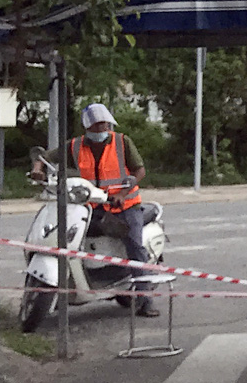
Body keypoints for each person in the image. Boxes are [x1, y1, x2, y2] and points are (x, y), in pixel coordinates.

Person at [33, 103, 160, 317]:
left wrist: (121, 194)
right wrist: (38, 169)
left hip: (125, 205)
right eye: (97, 126)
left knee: (135, 247)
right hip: (93, 206)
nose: (102, 130)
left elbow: (139, 171)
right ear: (87, 128)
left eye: (105, 125)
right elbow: (44, 157)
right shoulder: (75, 146)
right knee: (71, 237)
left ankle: (145, 299)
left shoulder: (122, 142)